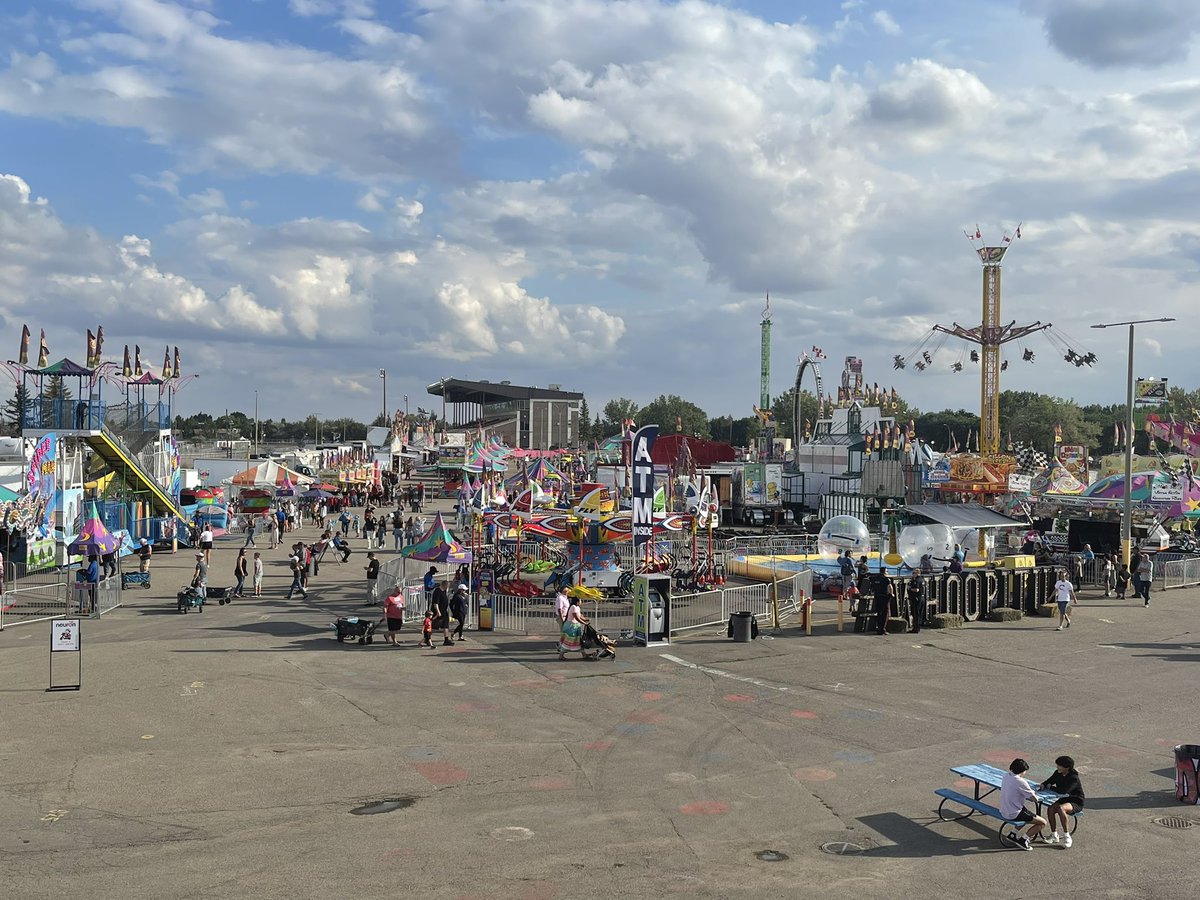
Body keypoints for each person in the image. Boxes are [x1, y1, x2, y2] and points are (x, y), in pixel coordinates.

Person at [1000, 758, 1048, 850]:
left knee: (1027, 814)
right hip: (1013, 813)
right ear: (1022, 771)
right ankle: (1024, 840)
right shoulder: (1020, 781)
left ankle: (1012, 834)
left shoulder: (1006, 776)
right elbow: (1034, 798)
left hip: (1004, 809)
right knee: (1042, 823)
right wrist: (1036, 795)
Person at [1039, 755, 1085, 847]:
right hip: (1064, 799)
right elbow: (1049, 781)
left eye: (1059, 766)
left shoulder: (1073, 778)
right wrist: (1044, 784)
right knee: (1051, 809)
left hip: (1075, 801)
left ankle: (1067, 836)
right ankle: (1054, 835)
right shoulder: (1058, 773)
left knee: (1061, 809)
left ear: (1067, 767)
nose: (1057, 767)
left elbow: (1064, 791)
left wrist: (1051, 787)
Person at [558, 596, 592, 660]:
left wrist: (586, 620)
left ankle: (584, 654)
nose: (581, 602)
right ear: (577, 601)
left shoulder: (577, 607)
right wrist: (584, 623)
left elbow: (580, 616)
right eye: (580, 600)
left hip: (575, 626)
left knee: (578, 641)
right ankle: (561, 655)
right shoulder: (573, 607)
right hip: (571, 626)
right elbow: (577, 617)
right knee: (568, 640)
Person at [430, 581, 454, 646]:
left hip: (444, 612)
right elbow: (435, 603)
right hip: (438, 612)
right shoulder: (437, 591)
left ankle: (446, 640)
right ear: (445, 585)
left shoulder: (444, 591)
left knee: (446, 625)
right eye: (447, 586)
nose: (448, 587)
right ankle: (427, 638)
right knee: (433, 626)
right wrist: (438, 612)